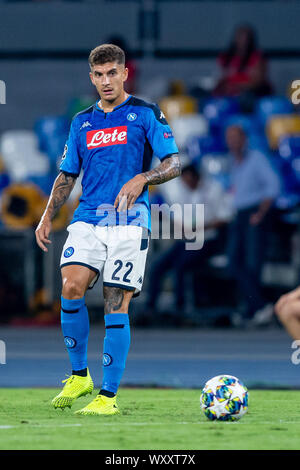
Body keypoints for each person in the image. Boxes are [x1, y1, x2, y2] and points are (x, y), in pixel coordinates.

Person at [35, 44, 180, 416]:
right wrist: (47, 215)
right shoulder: (81, 121)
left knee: (115, 302)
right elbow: (68, 173)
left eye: (112, 73)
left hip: (129, 222)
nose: (106, 81)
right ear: (91, 78)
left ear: (124, 73)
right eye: (99, 75)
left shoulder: (145, 113)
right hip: (87, 217)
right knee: (70, 285)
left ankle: (108, 397)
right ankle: (80, 375)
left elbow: (175, 162)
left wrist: (143, 178)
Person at [145, 162, 232, 315]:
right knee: (158, 266)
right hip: (186, 240)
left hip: (208, 240)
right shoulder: (183, 192)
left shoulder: (213, 189)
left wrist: (202, 227)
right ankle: (150, 307)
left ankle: (180, 307)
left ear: (195, 178)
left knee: (181, 265)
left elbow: (225, 217)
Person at [226, 125, 280, 326]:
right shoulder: (234, 162)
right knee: (234, 263)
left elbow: (273, 186)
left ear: (245, 139)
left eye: (235, 138)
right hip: (239, 215)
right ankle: (258, 306)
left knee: (251, 263)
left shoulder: (256, 159)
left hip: (253, 214)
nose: (232, 142)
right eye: (229, 138)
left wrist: (260, 214)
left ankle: (254, 309)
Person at [214, 24, 272, 110]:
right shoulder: (226, 58)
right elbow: (219, 78)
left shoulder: (257, 58)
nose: (242, 41)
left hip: (249, 95)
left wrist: (237, 86)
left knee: (246, 98)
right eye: (240, 37)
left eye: (246, 38)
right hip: (228, 94)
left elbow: (257, 82)